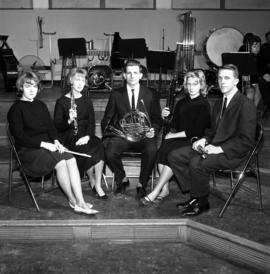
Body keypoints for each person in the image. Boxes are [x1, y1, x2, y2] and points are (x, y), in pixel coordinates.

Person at [166, 64, 257, 217]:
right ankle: (197, 193)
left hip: (233, 153)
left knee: (197, 163)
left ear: (236, 81)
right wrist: (204, 139)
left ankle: (201, 202)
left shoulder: (245, 104)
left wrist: (218, 149)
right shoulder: (220, 102)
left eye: (227, 78)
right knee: (174, 156)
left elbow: (246, 140)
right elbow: (212, 131)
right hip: (214, 145)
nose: (222, 81)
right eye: (220, 78)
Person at [7, 71, 98, 215]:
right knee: (61, 163)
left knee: (71, 158)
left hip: (47, 146)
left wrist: (56, 141)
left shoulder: (40, 105)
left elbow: (51, 128)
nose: (32, 90)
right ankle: (73, 201)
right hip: (28, 151)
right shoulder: (15, 109)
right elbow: (20, 138)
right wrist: (44, 144)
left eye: (35, 87)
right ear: (20, 87)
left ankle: (80, 201)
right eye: (27, 86)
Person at [140, 70, 211, 205]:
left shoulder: (203, 104)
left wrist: (173, 135)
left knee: (171, 151)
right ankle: (165, 188)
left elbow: (195, 131)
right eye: (188, 84)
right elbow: (175, 124)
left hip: (196, 140)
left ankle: (156, 190)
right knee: (162, 150)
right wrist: (164, 116)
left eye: (195, 84)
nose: (191, 87)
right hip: (181, 137)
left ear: (201, 85)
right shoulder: (182, 102)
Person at [101, 59, 162, 197]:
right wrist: (110, 134)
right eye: (129, 73)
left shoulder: (151, 93)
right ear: (124, 76)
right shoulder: (116, 94)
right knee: (110, 151)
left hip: (144, 135)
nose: (132, 76)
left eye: (135, 73)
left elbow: (157, 118)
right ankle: (122, 179)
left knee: (152, 150)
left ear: (141, 75)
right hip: (123, 135)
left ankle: (142, 183)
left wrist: (154, 130)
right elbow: (107, 117)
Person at [54, 68, 107, 199]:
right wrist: (69, 120)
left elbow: (91, 122)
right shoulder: (61, 102)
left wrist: (88, 136)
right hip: (68, 136)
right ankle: (91, 178)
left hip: (85, 134)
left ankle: (98, 184)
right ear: (70, 80)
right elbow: (57, 127)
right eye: (77, 79)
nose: (80, 83)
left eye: (82, 80)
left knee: (99, 146)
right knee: (86, 150)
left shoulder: (87, 100)